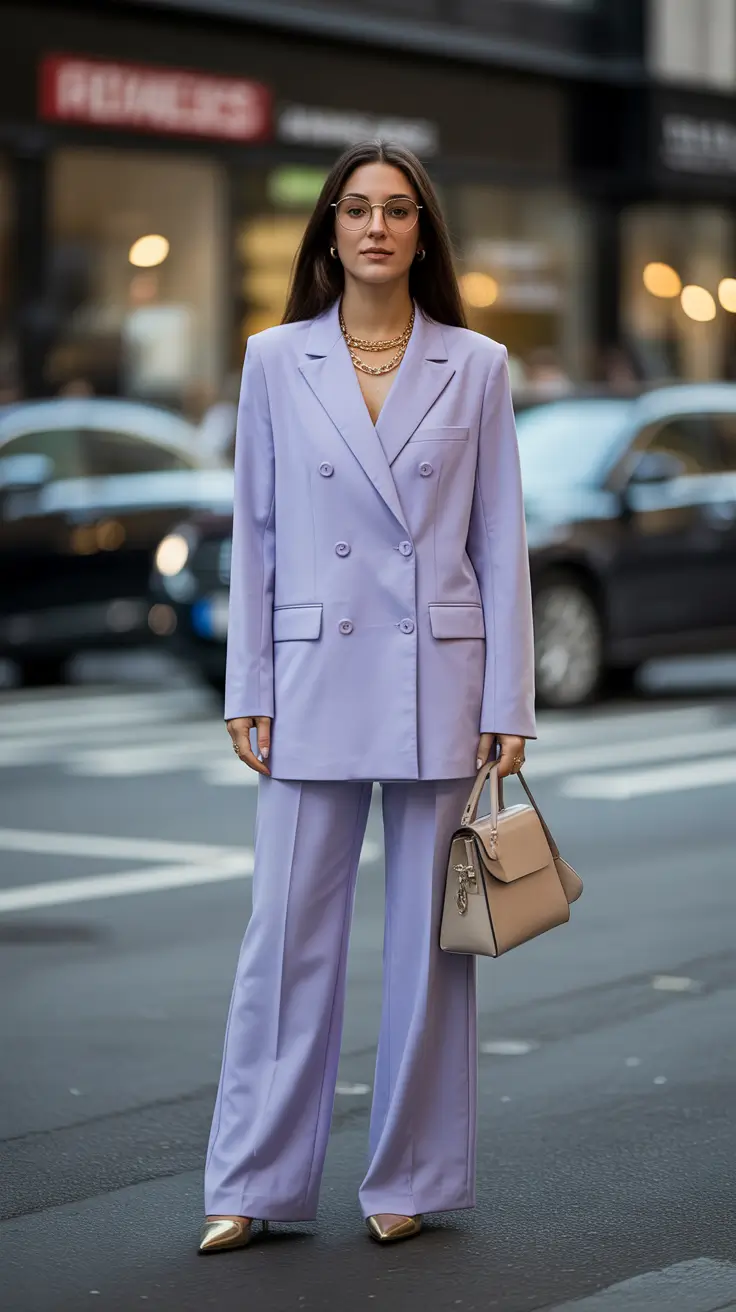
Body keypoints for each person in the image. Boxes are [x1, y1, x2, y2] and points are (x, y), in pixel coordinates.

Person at [200, 140, 536, 1254]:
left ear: (422, 233)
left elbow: (499, 543)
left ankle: (410, 1172)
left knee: (432, 951)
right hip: (309, 675)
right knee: (283, 938)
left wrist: (510, 699)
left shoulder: (476, 365)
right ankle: (249, 1178)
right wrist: (248, 680)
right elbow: (254, 533)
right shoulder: (272, 360)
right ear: (330, 229)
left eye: (397, 210)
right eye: (357, 210)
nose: (377, 227)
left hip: (437, 671)